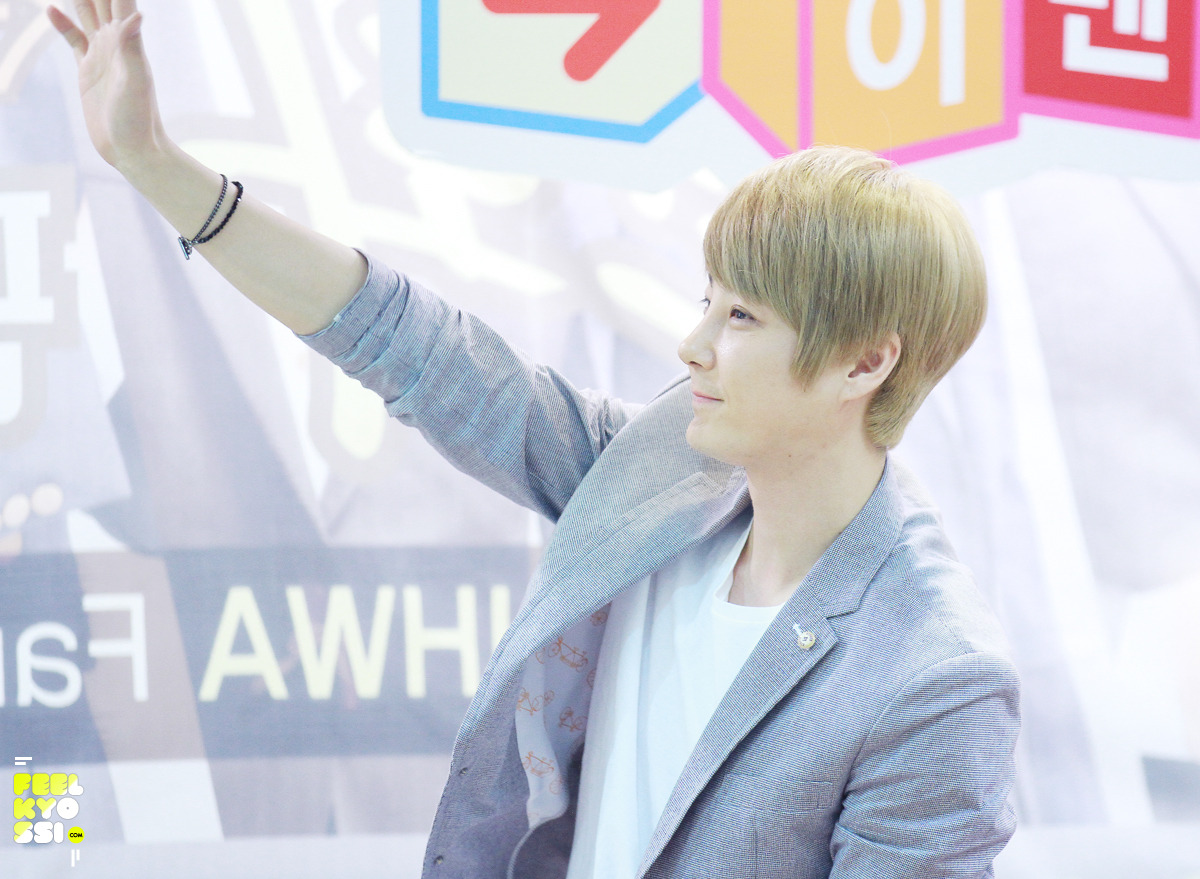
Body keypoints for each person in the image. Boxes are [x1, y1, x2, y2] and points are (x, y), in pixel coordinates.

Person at [50, 2, 1020, 877]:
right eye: (707, 302)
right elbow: (412, 346)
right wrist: (154, 165)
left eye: (742, 318)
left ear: (864, 364)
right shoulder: (660, 469)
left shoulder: (935, 676)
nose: (693, 345)